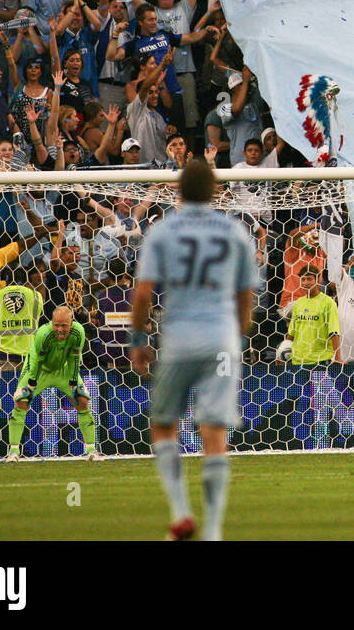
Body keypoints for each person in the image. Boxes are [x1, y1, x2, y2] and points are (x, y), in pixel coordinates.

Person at [131, 159, 260, 540]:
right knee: (214, 430)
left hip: (179, 341)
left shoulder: (163, 231)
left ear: (178, 191)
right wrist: (236, 336)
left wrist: (139, 342)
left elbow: (142, 293)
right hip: (221, 342)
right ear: (217, 191)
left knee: (164, 423)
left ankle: (182, 512)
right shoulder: (235, 232)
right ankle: (214, 531)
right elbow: (245, 296)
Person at [4, 305, 101, 460]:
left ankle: (91, 450)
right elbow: (36, 360)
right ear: (52, 322)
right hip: (39, 370)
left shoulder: (78, 333)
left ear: (71, 322)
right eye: (56, 325)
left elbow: (74, 358)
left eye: (64, 325)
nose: (60, 329)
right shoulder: (43, 333)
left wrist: (74, 382)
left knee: (82, 400)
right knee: (22, 401)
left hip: (63, 369)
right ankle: (14, 452)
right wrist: (30, 383)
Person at [282, 266, 341, 366]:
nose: (305, 283)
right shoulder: (298, 303)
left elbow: (334, 332)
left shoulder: (328, 303)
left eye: (309, 279)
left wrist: (338, 358)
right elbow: (291, 333)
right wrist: (282, 352)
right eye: (303, 279)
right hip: (297, 361)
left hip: (320, 361)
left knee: (322, 382)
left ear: (318, 280)